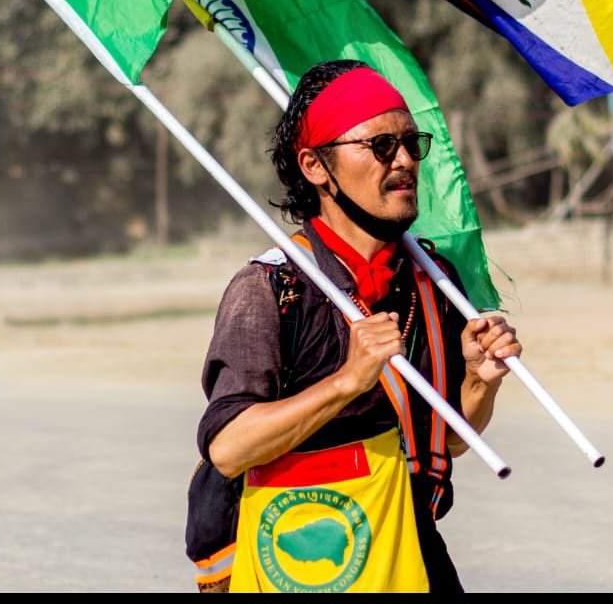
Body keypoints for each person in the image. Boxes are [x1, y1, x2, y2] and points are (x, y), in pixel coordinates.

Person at [195, 59, 521, 593]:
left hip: (405, 545)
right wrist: (348, 381)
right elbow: (229, 447)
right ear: (316, 166)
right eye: (380, 147)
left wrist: (480, 381)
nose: (404, 162)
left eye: (412, 144)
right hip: (293, 561)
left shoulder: (434, 280)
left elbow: (453, 441)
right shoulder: (270, 289)